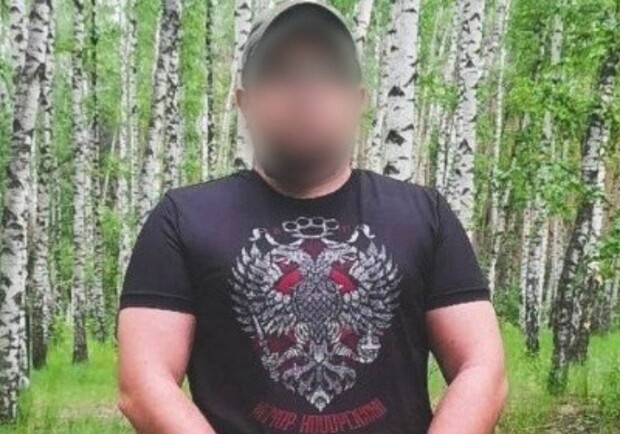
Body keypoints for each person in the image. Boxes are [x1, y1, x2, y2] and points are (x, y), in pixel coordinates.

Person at [117, 1, 508, 433]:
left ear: (358, 100)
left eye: (329, 73)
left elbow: (482, 367)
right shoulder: (184, 219)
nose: (306, 91)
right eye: (280, 72)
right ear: (244, 101)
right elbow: (144, 384)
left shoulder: (422, 215)